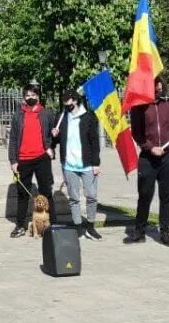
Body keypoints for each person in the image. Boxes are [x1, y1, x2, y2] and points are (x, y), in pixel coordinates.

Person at [125, 76, 169, 247]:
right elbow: (136, 134)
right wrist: (150, 147)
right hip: (148, 158)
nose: (159, 90)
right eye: (156, 88)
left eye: (161, 88)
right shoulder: (139, 108)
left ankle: (165, 232)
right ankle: (139, 231)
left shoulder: (167, 105)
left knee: (166, 196)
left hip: (168, 157)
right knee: (145, 196)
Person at [53, 88, 103, 241]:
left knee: (92, 196)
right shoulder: (62, 117)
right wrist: (54, 135)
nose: (65, 104)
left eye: (67, 101)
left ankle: (90, 227)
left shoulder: (88, 117)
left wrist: (96, 163)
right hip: (69, 165)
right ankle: (78, 227)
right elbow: (57, 140)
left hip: (87, 164)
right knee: (74, 198)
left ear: (74, 100)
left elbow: (95, 142)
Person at [8, 83, 56, 238]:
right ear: (24, 97)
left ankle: (53, 225)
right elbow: (13, 139)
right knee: (22, 194)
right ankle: (20, 225)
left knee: (46, 192)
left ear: (38, 96)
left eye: (33, 95)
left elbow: (54, 135)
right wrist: (13, 160)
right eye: (27, 95)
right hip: (23, 160)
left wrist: (51, 146)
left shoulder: (47, 113)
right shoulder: (18, 115)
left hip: (42, 158)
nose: (30, 98)